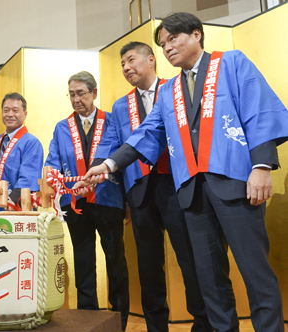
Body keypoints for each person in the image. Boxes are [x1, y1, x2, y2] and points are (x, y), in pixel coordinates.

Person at [82, 12, 288, 332]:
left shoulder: (231, 62)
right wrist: (109, 165)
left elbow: (259, 109)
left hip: (235, 182)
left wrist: (261, 166)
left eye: (173, 39)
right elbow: (148, 134)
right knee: (209, 279)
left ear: (196, 35)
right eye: (163, 44)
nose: (168, 48)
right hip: (191, 193)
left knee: (255, 271)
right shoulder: (169, 90)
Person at [95, 42, 212, 331]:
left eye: (131, 60)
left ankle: (202, 322)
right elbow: (112, 141)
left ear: (151, 60)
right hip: (140, 190)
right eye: (122, 64)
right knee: (148, 267)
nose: (126, 68)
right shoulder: (121, 105)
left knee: (189, 259)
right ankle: (156, 326)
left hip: (176, 186)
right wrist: (99, 165)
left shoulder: (175, 90)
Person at [45, 71, 129, 331]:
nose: (76, 99)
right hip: (75, 203)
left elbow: (116, 156)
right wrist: (52, 178)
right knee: (83, 261)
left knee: (115, 260)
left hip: (108, 199)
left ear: (94, 93)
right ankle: (87, 319)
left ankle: (119, 317)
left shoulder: (112, 121)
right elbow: (52, 161)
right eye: (71, 94)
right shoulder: (62, 127)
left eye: (81, 93)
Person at [0, 92, 43, 211]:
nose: (10, 114)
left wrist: (11, 202)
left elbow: (29, 176)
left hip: (16, 207)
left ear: (25, 114)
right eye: (6, 110)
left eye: (15, 110)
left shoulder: (31, 142)